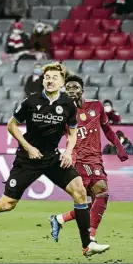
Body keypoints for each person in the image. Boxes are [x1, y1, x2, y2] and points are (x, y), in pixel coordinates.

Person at [0, 62, 110, 257]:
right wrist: (28, 147)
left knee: (80, 192)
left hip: (53, 158)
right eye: (47, 77)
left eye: (55, 77)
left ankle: (87, 245)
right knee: (7, 204)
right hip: (28, 159)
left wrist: (68, 151)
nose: (50, 80)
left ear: (62, 82)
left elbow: (72, 132)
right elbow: (11, 125)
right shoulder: (31, 101)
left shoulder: (67, 105)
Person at [50, 75, 128, 243]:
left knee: (92, 203)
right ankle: (90, 237)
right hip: (79, 158)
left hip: (95, 158)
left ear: (81, 91)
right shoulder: (62, 112)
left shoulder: (96, 106)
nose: (71, 91)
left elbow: (107, 129)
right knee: (102, 192)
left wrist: (118, 146)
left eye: (74, 87)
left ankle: (59, 219)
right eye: (68, 88)